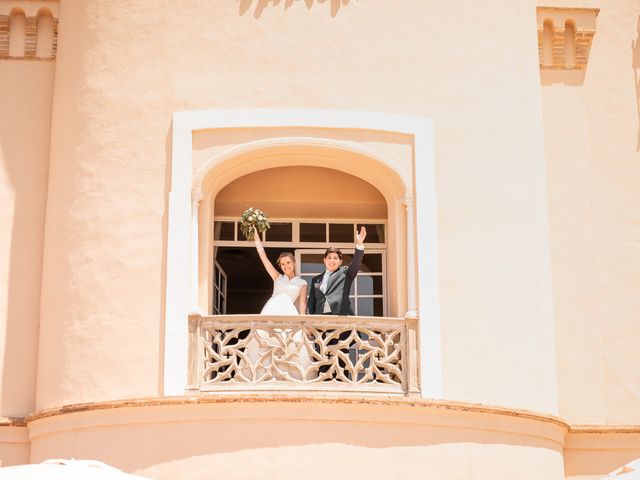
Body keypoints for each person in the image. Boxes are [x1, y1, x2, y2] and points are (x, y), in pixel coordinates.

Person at [307, 226, 367, 315]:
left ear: (340, 262)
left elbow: (356, 264)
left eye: (335, 258)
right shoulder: (315, 279)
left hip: (340, 320)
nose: (332, 260)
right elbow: (311, 303)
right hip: (320, 323)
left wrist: (359, 245)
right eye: (329, 258)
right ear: (324, 260)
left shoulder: (345, 273)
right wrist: (310, 323)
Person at [253, 226, 307, 315]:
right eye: (283, 264)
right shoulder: (277, 277)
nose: (286, 266)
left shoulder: (302, 283)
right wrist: (256, 237)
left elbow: (302, 305)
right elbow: (264, 258)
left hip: (288, 313)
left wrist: (304, 322)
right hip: (271, 311)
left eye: (288, 262)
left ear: (294, 263)